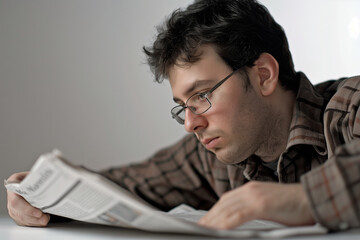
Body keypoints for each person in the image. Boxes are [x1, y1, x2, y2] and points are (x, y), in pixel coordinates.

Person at [7, 0, 360, 231]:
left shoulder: (351, 104)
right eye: (183, 105)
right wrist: (40, 193)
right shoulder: (211, 155)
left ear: (264, 75)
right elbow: (127, 186)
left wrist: (300, 199)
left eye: (202, 95)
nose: (191, 124)